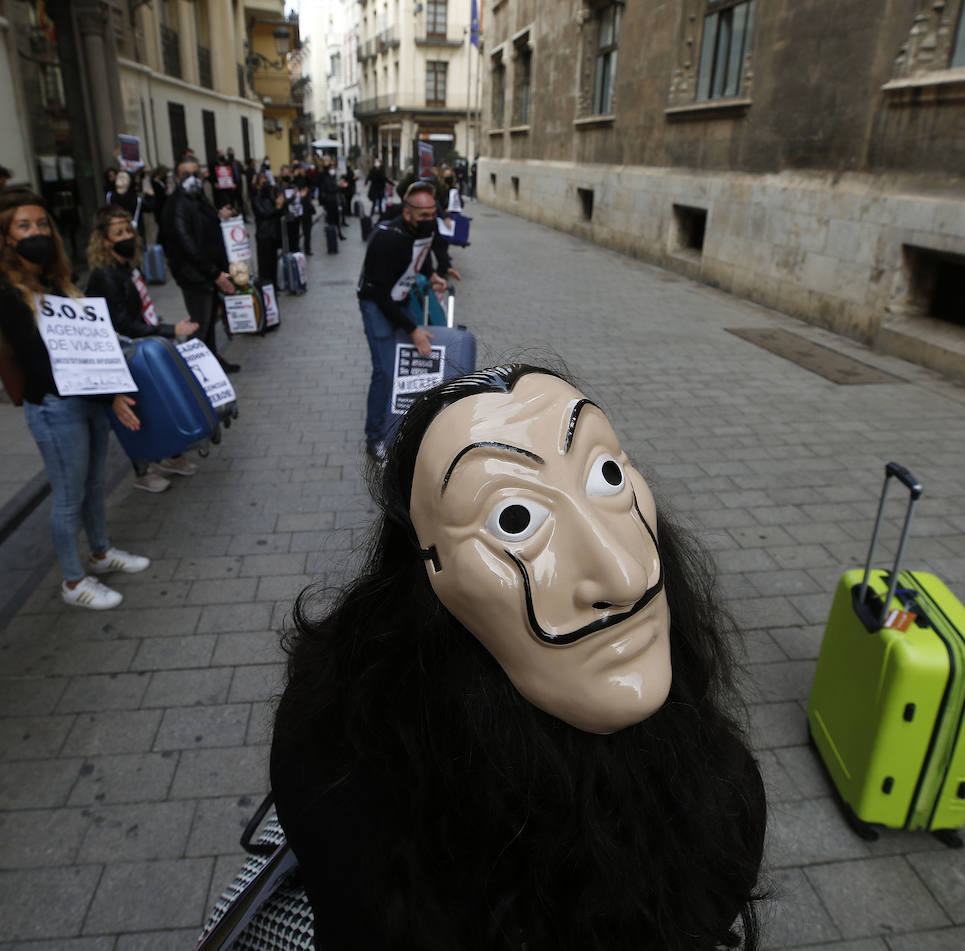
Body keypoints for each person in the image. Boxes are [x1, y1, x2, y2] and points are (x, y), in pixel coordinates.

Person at [271, 363, 767, 951]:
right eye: (514, 519)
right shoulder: (345, 765)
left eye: (608, 476)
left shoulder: (715, 789)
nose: (626, 574)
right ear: (429, 569)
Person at [0, 189, 149, 610]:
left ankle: (100, 551)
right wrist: (109, 393)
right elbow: (40, 364)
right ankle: (74, 581)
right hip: (55, 407)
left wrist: (111, 380)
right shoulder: (7, 293)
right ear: (7, 237)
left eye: (42, 224)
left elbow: (89, 342)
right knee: (69, 494)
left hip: (88, 400)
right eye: (24, 225)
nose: (36, 231)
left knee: (94, 484)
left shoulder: (57, 282)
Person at [84, 204, 201, 493]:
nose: (127, 236)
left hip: (138, 347)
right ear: (104, 239)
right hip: (120, 353)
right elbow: (122, 323)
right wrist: (169, 330)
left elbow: (139, 316)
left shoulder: (127, 269)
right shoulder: (105, 275)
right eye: (118, 232)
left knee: (158, 402)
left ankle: (170, 454)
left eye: (128, 230)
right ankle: (143, 469)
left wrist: (162, 328)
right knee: (138, 411)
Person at [353, 182, 454, 459]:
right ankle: (374, 437)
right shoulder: (387, 239)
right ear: (408, 213)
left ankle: (406, 422)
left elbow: (421, 253)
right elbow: (379, 294)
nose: (430, 219)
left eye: (433, 213)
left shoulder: (425, 226)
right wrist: (412, 329)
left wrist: (432, 274)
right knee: (385, 370)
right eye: (424, 215)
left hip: (398, 295)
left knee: (412, 362)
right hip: (376, 301)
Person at [160, 157, 240, 374]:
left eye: (196, 173)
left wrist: (219, 216)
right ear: (177, 178)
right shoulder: (176, 205)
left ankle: (213, 362)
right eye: (186, 174)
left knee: (209, 324)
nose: (192, 178)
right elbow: (188, 246)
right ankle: (192, 373)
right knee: (200, 326)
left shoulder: (198, 198)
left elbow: (206, 227)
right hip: (195, 277)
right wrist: (215, 274)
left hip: (208, 273)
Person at [252, 174, 285, 282]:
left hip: (273, 234)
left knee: (273, 262)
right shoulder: (256, 200)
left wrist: (280, 206)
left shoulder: (270, 198)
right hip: (263, 235)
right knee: (264, 263)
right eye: (263, 183)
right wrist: (277, 208)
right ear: (257, 186)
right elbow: (264, 214)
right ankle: (265, 286)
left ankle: (274, 285)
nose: (265, 185)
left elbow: (278, 214)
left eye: (266, 182)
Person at [318, 161, 345, 243]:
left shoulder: (333, 177)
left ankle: (339, 234)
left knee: (336, 219)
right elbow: (330, 189)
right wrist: (339, 186)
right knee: (331, 220)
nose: (333, 170)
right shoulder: (326, 178)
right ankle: (331, 235)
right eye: (332, 168)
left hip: (334, 201)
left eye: (334, 168)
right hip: (329, 202)